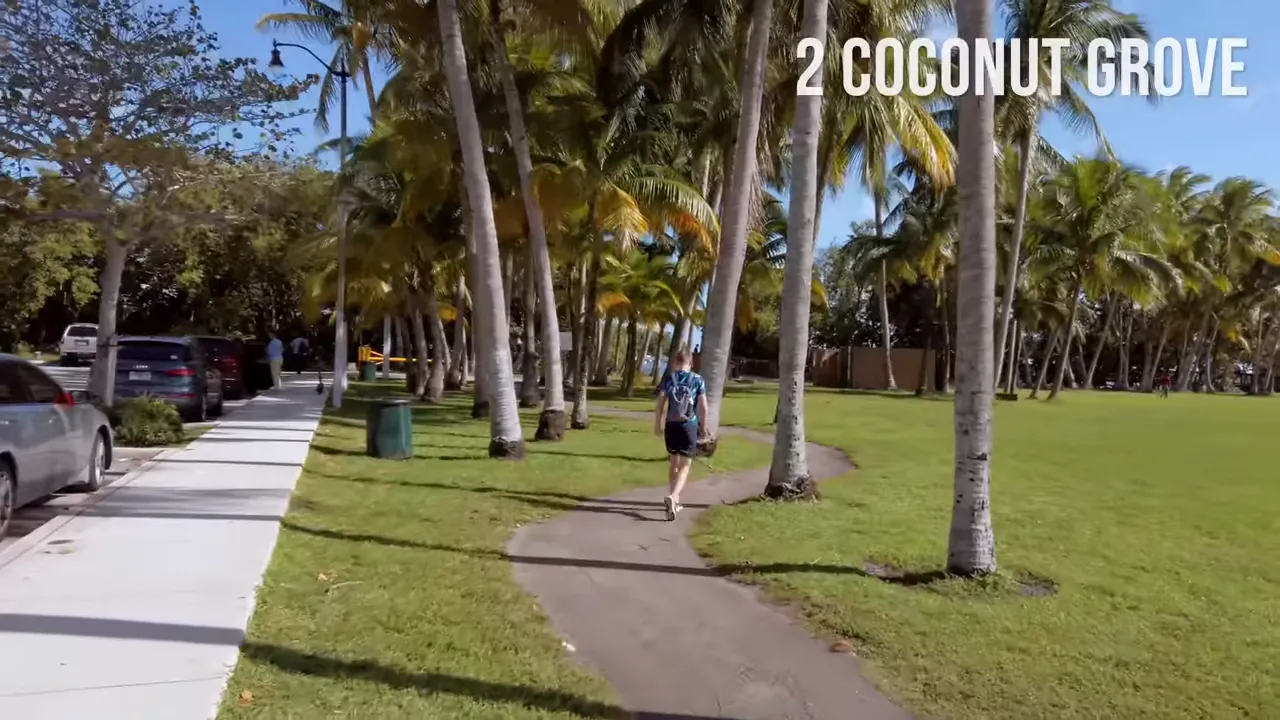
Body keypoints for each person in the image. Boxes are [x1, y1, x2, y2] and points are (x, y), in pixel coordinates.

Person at [653, 349, 708, 521]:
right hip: (688, 426)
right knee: (685, 465)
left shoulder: (669, 379)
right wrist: (703, 428)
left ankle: (673, 500)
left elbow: (660, 405)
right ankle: (674, 496)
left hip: (671, 425)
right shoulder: (697, 380)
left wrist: (657, 425)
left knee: (674, 462)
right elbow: (703, 407)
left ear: (676, 362)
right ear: (691, 363)